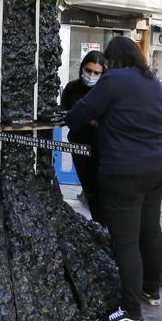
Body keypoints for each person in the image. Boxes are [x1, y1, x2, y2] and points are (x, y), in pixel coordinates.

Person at [66, 36, 162, 321]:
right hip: (159, 164)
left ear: (113, 60)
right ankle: (151, 291)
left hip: (125, 170)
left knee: (125, 242)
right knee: (150, 230)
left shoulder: (112, 80)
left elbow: (76, 118)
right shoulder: (153, 81)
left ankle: (130, 312)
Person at [59, 51, 106, 220]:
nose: (91, 75)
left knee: (104, 191)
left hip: (102, 148)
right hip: (79, 145)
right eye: (88, 70)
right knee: (89, 190)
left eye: (96, 73)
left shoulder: (105, 90)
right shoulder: (72, 88)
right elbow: (64, 112)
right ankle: (99, 224)